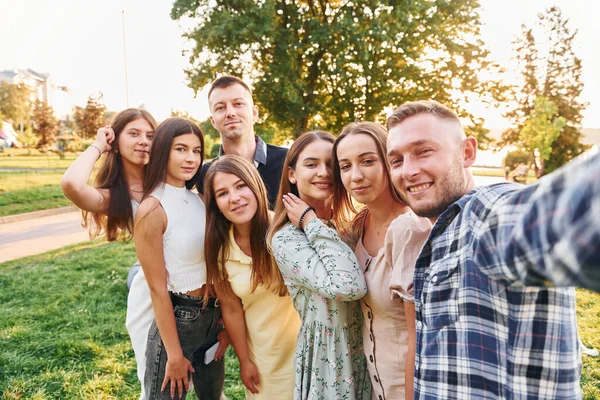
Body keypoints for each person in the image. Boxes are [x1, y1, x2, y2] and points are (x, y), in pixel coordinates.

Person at [385, 99, 600, 398]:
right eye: (396, 160)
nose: (407, 171)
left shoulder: (485, 215)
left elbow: (567, 215)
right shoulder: (441, 234)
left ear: (467, 152)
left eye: (424, 151)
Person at [267, 131, 372, 400]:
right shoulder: (287, 238)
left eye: (331, 165)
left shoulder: (351, 225)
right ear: (292, 174)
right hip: (330, 360)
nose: (323, 172)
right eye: (311, 164)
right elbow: (348, 287)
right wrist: (309, 220)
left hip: (371, 352)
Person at [61, 108, 157, 399]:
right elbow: (72, 185)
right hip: (150, 297)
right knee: (156, 384)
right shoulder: (114, 195)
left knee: (208, 385)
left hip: (195, 291)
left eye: (151, 135)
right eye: (134, 133)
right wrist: (98, 146)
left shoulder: (171, 177)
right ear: (116, 142)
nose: (143, 141)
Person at [333, 121, 431, 400]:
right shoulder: (358, 225)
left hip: (408, 390)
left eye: (367, 161)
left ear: (389, 162)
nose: (356, 176)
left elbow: (418, 338)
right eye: (346, 166)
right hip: (375, 388)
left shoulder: (411, 229)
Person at [134, 117, 227, 400]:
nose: (191, 158)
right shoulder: (152, 208)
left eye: (197, 151)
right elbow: (157, 289)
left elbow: (217, 266)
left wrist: (223, 324)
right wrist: (173, 354)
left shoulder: (200, 200)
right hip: (179, 323)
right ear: (163, 150)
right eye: (181, 149)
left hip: (213, 319)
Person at [203, 155, 301, 399]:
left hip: (306, 350)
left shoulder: (286, 227)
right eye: (222, 193)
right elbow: (232, 308)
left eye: (240, 186)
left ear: (255, 185)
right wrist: (245, 361)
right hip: (263, 357)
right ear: (215, 203)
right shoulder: (220, 247)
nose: (234, 198)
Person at [195, 75, 288, 207]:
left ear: (255, 113)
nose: (230, 113)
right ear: (213, 121)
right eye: (220, 107)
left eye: (238, 104)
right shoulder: (205, 174)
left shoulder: (288, 161)